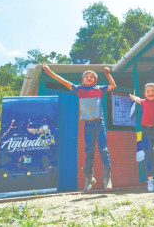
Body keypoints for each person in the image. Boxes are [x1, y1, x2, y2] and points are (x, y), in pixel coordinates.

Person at [42, 64, 116, 193]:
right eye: (86, 77)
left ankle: (107, 177)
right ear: (82, 80)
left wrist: (108, 74)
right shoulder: (79, 90)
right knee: (88, 151)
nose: (89, 78)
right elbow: (63, 81)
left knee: (103, 149)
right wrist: (49, 72)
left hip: (99, 124)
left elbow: (113, 86)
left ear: (96, 81)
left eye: (92, 77)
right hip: (88, 125)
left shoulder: (99, 89)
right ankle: (89, 178)